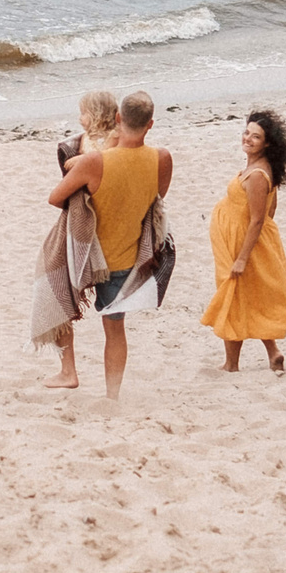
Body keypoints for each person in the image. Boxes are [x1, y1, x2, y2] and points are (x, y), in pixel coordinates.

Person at [46, 89, 172, 400]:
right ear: (150, 124)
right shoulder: (162, 158)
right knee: (115, 329)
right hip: (127, 259)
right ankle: (112, 395)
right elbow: (158, 197)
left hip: (88, 255)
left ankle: (68, 371)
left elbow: (55, 198)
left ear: (118, 118)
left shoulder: (94, 161)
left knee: (58, 297)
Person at [38, 90, 120, 390]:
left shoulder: (107, 143)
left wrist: (79, 164)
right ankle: (101, 385)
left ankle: (68, 371)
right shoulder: (114, 141)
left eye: (83, 112)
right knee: (113, 319)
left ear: (96, 114)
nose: (79, 118)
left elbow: (59, 194)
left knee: (56, 283)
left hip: (87, 224)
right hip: (104, 225)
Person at [201, 110, 286, 373]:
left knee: (232, 298)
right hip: (242, 242)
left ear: (267, 143)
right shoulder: (260, 168)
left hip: (241, 245)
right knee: (246, 297)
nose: (248, 139)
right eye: (246, 132)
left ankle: (231, 364)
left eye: (256, 136)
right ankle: (272, 352)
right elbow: (271, 210)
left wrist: (242, 257)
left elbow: (257, 219)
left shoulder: (256, 175)